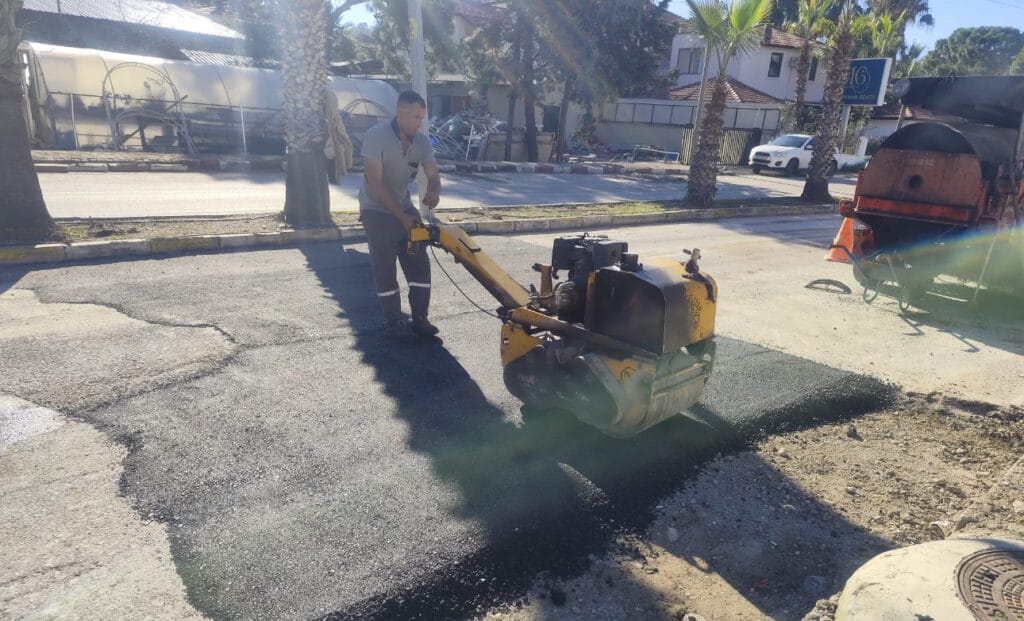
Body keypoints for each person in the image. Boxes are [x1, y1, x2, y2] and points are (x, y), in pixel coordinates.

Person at [358, 90, 442, 340]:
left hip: (404, 208)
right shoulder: (376, 137)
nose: (420, 122)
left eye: (422, 117)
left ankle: (420, 319)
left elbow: (433, 174)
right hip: (376, 210)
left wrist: (434, 191)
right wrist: (403, 218)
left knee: (419, 263)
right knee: (385, 269)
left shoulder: (422, 142)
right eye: (416, 116)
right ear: (400, 112)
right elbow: (375, 183)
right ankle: (394, 322)